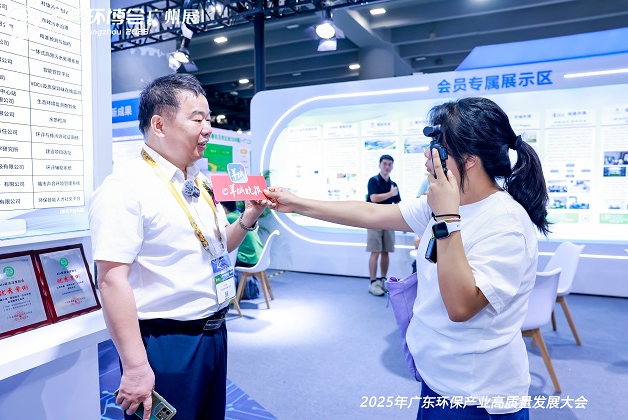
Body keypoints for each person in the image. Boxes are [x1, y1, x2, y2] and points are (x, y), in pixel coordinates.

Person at [264, 97, 549, 419]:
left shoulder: (505, 222)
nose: (427, 156)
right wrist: (297, 204)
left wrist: (447, 219)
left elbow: (461, 306)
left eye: (438, 148)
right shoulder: (445, 203)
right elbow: (371, 213)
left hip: (476, 397)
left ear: (469, 159)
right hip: (438, 379)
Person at [89, 74, 267, 420]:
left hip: (213, 332)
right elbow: (111, 280)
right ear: (159, 125)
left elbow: (218, 246)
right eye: (197, 119)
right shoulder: (124, 187)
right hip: (167, 342)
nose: (208, 129)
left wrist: (248, 219)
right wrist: (135, 365)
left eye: (209, 119)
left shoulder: (198, 180)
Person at [365, 154, 401, 296]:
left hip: (388, 221)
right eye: (384, 164)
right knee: (375, 251)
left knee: (386, 251)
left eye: (389, 164)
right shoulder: (373, 181)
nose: (387, 166)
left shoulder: (393, 184)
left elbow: (397, 203)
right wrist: (390, 193)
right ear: (380, 165)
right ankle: (373, 283)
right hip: (374, 220)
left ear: (392, 166)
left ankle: (383, 280)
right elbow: (373, 198)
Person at [221, 201, 264, 300]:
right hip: (259, 257)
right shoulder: (239, 214)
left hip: (248, 259)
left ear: (222, 207)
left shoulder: (228, 218)